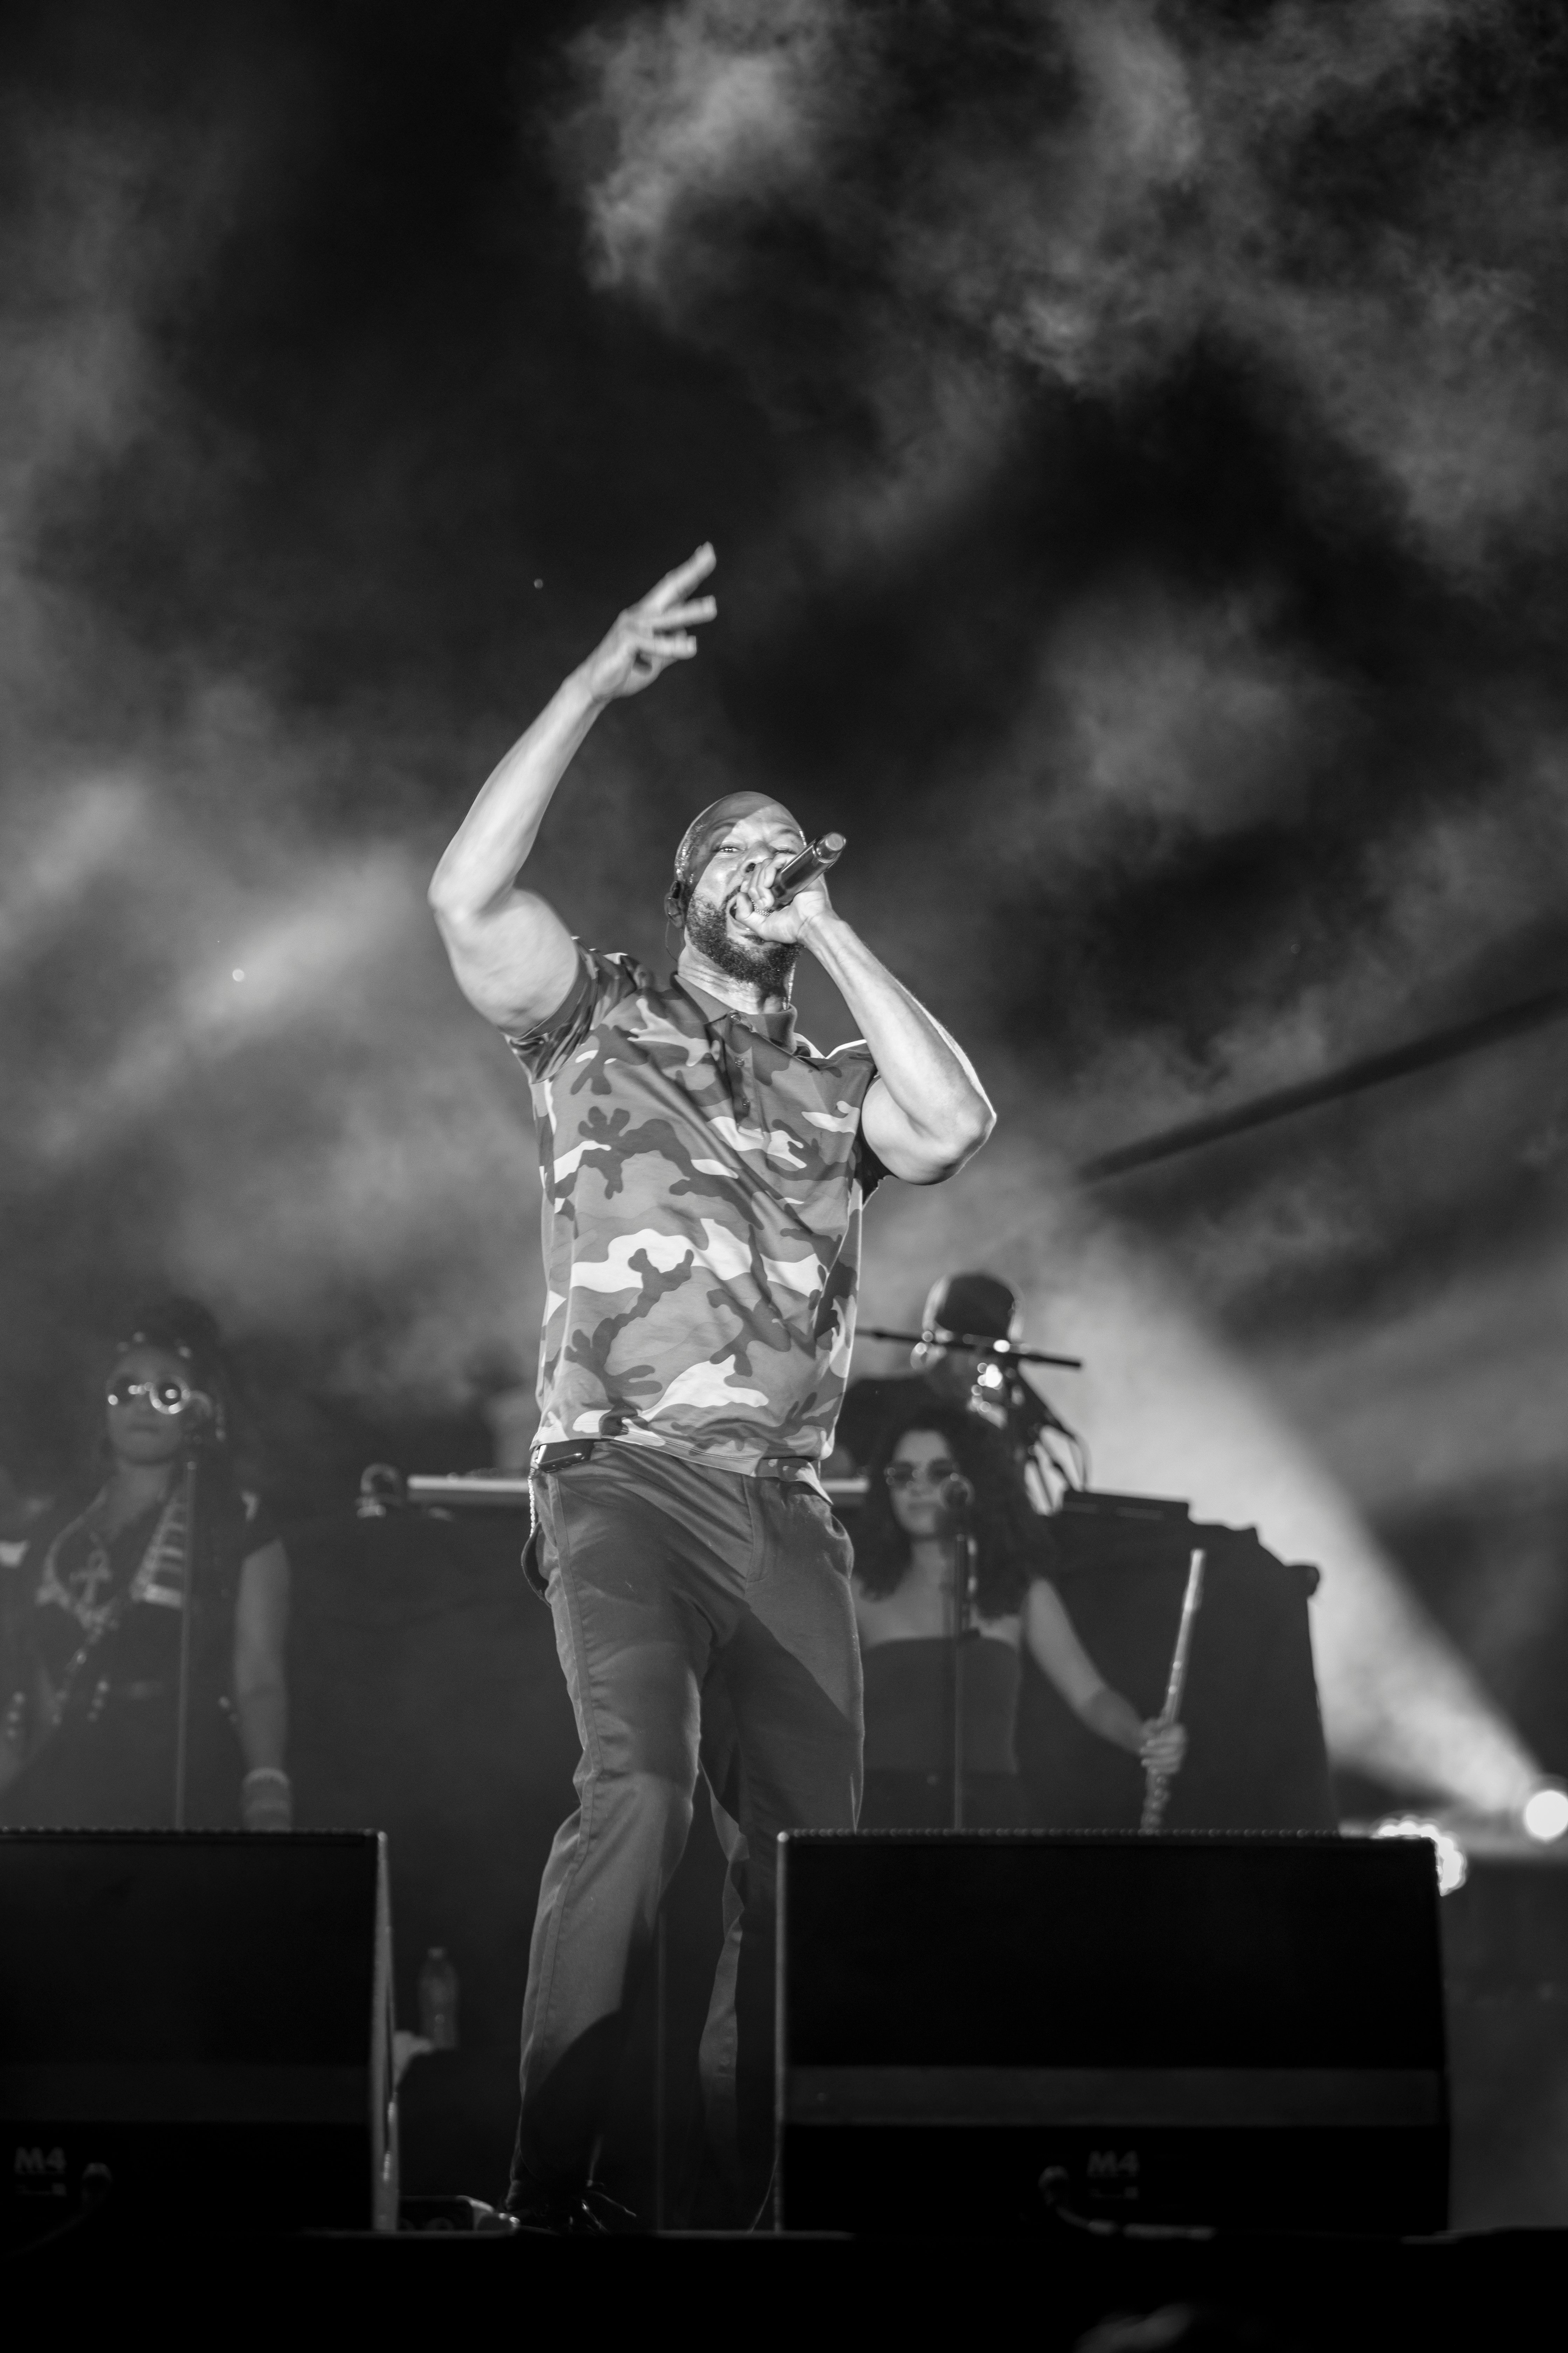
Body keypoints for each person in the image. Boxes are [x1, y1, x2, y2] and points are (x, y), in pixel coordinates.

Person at [427, 544, 994, 2231]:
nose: (765, 867)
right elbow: (464, 896)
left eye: (786, 850)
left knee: (805, 1868)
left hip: (782, 1507)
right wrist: (598, 679)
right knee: (647, 1790)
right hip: (615, 1478)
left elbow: (953, 1121)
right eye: (734, 855)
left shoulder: (830, 1093)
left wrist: (830, 927)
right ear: (682, 894)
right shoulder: (591, 1018)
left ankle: (761, 2204)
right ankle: (551, 2179)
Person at [0, 1299, 291, 1833]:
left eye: (168, 1391)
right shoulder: (60, 1526)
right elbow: (35, 1689)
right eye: (126, 1389)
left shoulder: (235, 1519)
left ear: (203, 1408)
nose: (143, 1404)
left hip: (185, 1779)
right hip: (66, 1787)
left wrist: (267, 1788)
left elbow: (257, 1677)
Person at [853, 1402, 1186, 1828]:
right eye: (901, 1475)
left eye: (939, 1472)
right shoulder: (856, 1590)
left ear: (976, 1482)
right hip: (884, 1818)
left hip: (990, 1818)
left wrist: (1142, 1737)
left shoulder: (1019, 1590)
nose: (917, 1487)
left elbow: (1090, 1696)